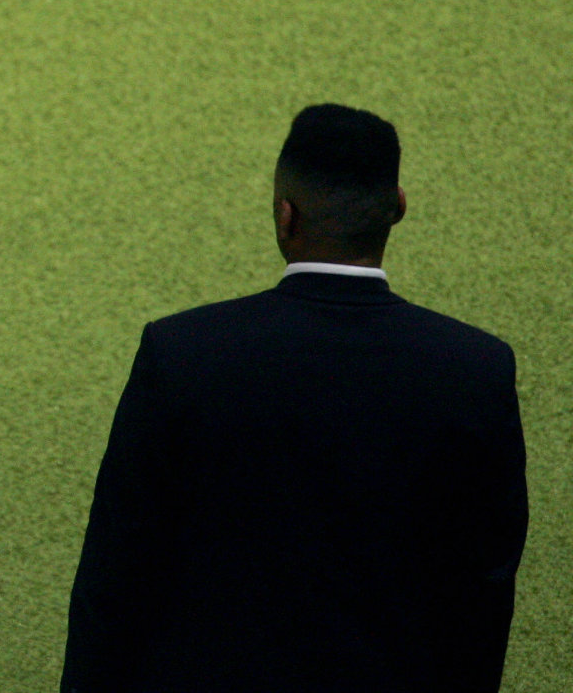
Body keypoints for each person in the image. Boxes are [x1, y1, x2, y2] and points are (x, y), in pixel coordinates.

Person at [61, 105, 528, 692]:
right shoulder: (475, 368)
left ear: (286, 215)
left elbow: (117, 573)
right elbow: (484, 586)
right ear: (398, 209)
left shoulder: (182, 354)